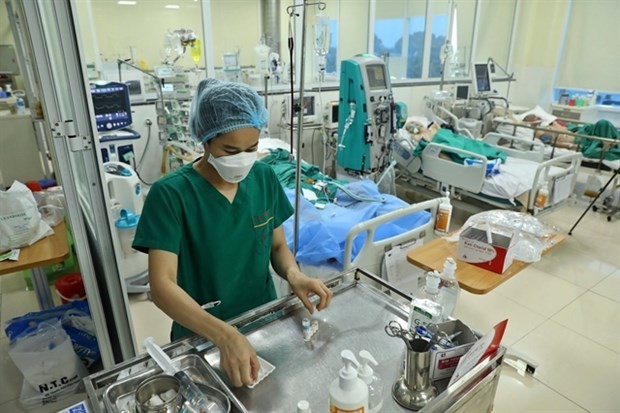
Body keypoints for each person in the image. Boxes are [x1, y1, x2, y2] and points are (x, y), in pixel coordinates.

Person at [132, 78, 333, 387]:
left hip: (264, 322)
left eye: (251, 148)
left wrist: (294, 276)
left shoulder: (263, 177)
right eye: (230, 149)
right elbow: (161, 286)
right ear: (206, 139)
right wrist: (224, 335)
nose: (242, 158)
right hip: (203, 334)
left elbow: (277, 247)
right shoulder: (171, 195)